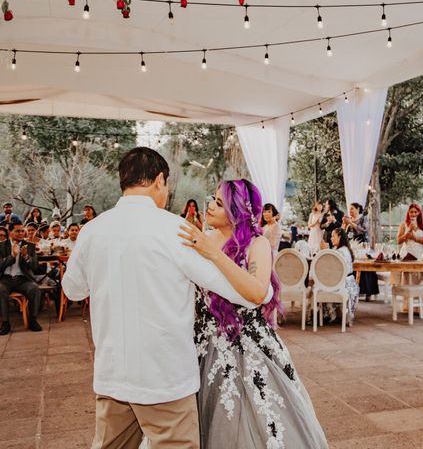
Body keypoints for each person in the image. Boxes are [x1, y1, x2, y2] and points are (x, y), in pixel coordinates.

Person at [62, 147, 270, 449]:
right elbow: (239, 292)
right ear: (160, 180)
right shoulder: (176, 230)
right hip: (165, 379)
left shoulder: (92, 231)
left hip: (112, 375)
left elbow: (72, 290)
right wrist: (256, 293)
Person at [178, 179, 328, 449]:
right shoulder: (201, 239)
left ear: (237, 212)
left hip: (249, 343)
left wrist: (214, 254)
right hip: (202, 346)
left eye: (219, 203)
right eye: (212, 198)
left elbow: (258, 293)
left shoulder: (256, 244)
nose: (210, 205)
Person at [0, 222, 43, 334]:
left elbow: (35, 266)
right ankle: (5, 323)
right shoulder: (1, 246)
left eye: (22, 231)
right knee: (0, 290)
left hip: (23, 279)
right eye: (17, 231)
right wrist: (12, 256)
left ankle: (33, 320)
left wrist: (26, 256)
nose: (21, 233)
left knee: (34, 288)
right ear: (10, 232)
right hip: (5, 279)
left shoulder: (29, 245)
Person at [343, 203, 379, 300]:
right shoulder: (349, 221)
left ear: (358, 209)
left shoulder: (364, 218)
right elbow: (346, 235)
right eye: (349, 209)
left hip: (363, 245)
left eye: (352, 209)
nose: (350, 211)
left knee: (365, 268)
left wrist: (351, 223)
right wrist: (345, 224)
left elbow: (364, 230)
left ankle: (369, 292)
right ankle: (355, 291)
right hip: (352, 246)